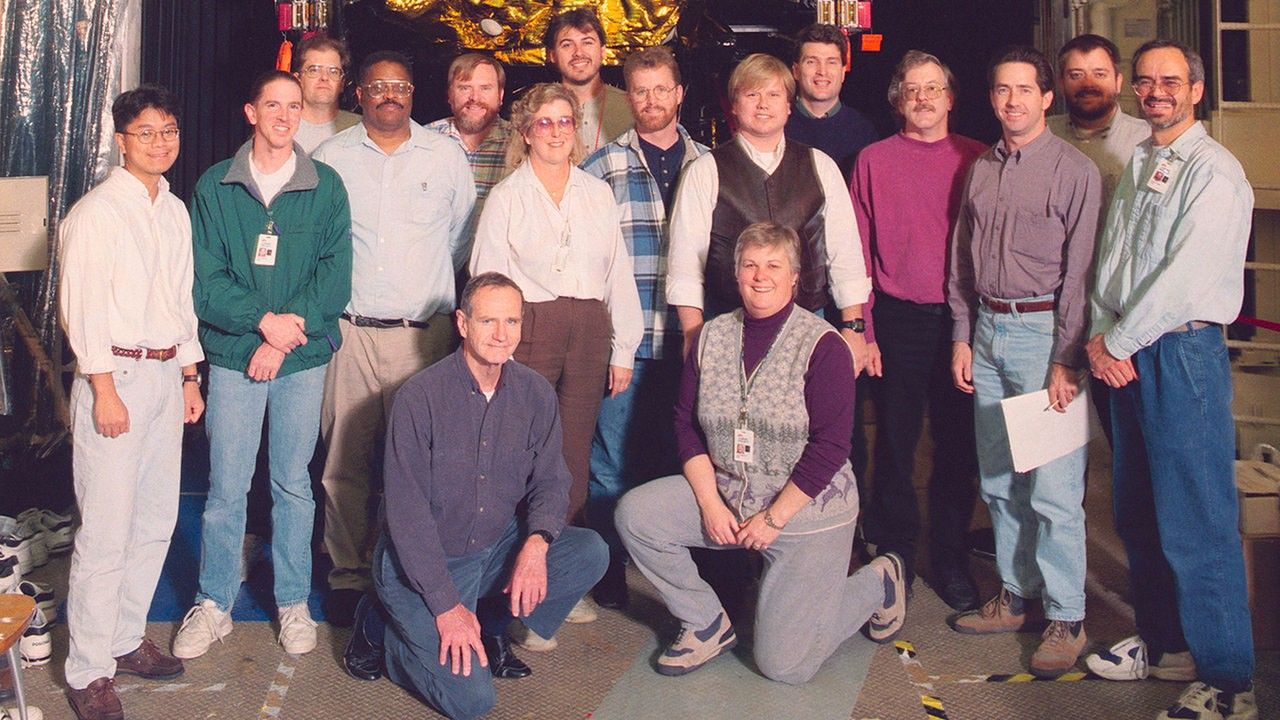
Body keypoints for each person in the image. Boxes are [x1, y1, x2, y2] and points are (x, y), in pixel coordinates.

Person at [616, 222, 906, 681]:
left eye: (774, 265)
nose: (760, 276)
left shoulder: (823, 345)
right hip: (730, 495)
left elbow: (831, 447)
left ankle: (879, 583)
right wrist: (710, 503)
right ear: (736, 275)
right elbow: (685, 424)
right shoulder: (710, 337)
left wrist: (774, 519)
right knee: (637, 514)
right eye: (750, 265)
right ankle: (706, 621)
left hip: (806, 512)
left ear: (795, 277)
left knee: (784, 665)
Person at [1083, 40, 1260, 720]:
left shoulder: (1214, 173)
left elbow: (1183, 281)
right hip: (1126, 352)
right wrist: (1102, 337)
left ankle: (1228, 684)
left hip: (1178, 354)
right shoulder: (1144, 160)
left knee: (1197, 519)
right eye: (1147, 81)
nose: (1156, 91)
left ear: (1196, 89)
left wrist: (1116, 342)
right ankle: (1166, 646)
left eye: (1171, 82)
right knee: (1137, 509)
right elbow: (1113, 261)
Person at [173, 71, 351, 659]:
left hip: (298, 358)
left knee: (292, 484)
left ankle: (293, 601)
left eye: (293, 106)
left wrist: (283, 335)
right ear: (251, 112)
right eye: (272, 104)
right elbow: (205, 281)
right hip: (233, 355)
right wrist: (260, 327)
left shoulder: (325, 186)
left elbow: (333, 277)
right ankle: (214, 602)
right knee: (226, 487)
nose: (284, 115)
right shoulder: (214, 187)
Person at [376, 272, 609, 720]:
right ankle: (384, 634)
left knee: (589, 552)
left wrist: (536, 545)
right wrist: (446, 608)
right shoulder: (419, 398)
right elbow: (408, 520)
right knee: (471, 702)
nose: (502, 335)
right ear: (463, 324)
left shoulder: (536, 393)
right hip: (424, 566)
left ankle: (493, 626)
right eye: (488, 322)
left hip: (492, 549)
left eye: (512, 321)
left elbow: (551, 481)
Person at [946, 46, 1101, 679]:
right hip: (988, 330)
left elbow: (1082, 275)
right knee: (1001, 481)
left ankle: (1067, 615)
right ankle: (1017, 595)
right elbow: (961, 258)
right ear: (993, 98)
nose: (1012, 101)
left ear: (1046, 98)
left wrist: (1068, 356)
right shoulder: (981, 169)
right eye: (1001, 90)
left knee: (1055, 491)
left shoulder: (1075, 171)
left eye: (1024, 90)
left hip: (1044, 337)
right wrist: (963, 333)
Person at [313, 50, 477, 625]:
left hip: (424, 338)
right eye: (378, 85)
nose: (390, 94)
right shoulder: (330, 157)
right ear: (358, 93)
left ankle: (410, 573)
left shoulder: (445, 156)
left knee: (421, 466)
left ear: (413, 94)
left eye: (400, 85)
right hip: (351, 334)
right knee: (345, 461)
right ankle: (349, 576)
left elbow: (459, 239)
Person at [59, 84, 204, 720]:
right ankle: (87, 669)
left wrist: (189, 376)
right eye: (146, 132)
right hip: (111, 379)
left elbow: (180, 298)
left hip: (164, 376)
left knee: (154, 521)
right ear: (121, 140)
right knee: (108, 530)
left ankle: (122, 639)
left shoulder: (172, 209)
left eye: (168, 130)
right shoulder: (95, 214)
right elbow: (81, 311)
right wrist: (105, 390)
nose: (160, 142)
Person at [850, 50, 985, 611]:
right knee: (897, 444)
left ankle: (950, 556)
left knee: (959, 446)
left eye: (934, 88)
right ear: (898, 100)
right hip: (897, 318)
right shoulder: (873, 160)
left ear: (951, 98)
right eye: (912, 89)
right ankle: (897, 552)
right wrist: (865, 328)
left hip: (963, 321)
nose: (924, 98)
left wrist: (974, 329)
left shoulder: (979, 159)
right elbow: (855, 249)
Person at [577, 46, 708, 613]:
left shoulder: (710, 164)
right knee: (610, 461)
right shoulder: (602, 166)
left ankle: (678, 565)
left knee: (685, 458)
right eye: (641, 91)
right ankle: (607, 567)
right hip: (626, 343)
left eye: (662, 89)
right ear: (627, 99)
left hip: (692, 340)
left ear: (680, 94)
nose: (652, 101)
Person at [667, 53, 872, 370]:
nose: (763, 104)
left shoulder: (821, 166)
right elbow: (685, 261)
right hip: (726, 325)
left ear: (789, 105)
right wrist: (693, 333)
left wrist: (854, 327)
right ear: (734, 106)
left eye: (774, 94)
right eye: (752, 94)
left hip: (808, 324)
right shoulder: (705, 170)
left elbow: (845, 254)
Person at [1047, 33, 1149, 445]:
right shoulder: (1042, 137)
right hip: (1053, 312)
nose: (1087, 83)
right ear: (1059, 83)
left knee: (1128, 441)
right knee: (1053, 445)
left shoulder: (1147, 141)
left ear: (1119, 82)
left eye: (1099, 73)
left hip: (1121, 316)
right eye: (1075, 74)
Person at [425, 53, 514, 240]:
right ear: (450, 95)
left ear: (500, 96)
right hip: (439, 259)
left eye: (485, 88)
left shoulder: (519, 143)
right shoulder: (425, 141)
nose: (475, 97)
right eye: (465, 88)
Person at [785, 23, 878, 180]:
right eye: (812, 61)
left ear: (842, 72)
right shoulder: (777, 127)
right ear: (796, 71)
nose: (822, 71)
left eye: (831, 62)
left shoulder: (864, 132)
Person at [543, 7, 632, 154]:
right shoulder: (537, 110)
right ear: (552, 55)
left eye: (587, 42)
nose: (578, 52)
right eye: (567, 45)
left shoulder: (631, 108)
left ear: (603, 51)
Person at [292, 33, 361, 153]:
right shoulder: (280, 126)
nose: (324, 77)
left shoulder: (360, 127)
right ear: (298, 80)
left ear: (342, 83)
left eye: (333, 71)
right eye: (314, 70)